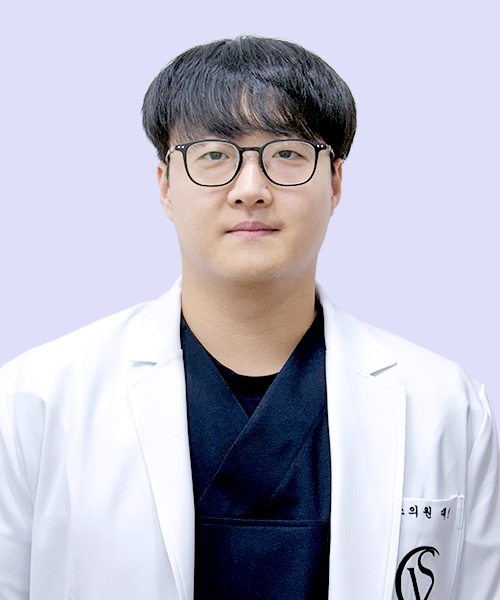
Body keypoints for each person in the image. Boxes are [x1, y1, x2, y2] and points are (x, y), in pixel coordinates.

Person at [0, 36, 498, 600]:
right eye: (214, 154)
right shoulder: (37, 400)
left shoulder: (447, 406)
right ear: (165, 186)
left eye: (287, 153)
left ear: (335, 182)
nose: (251, 190)